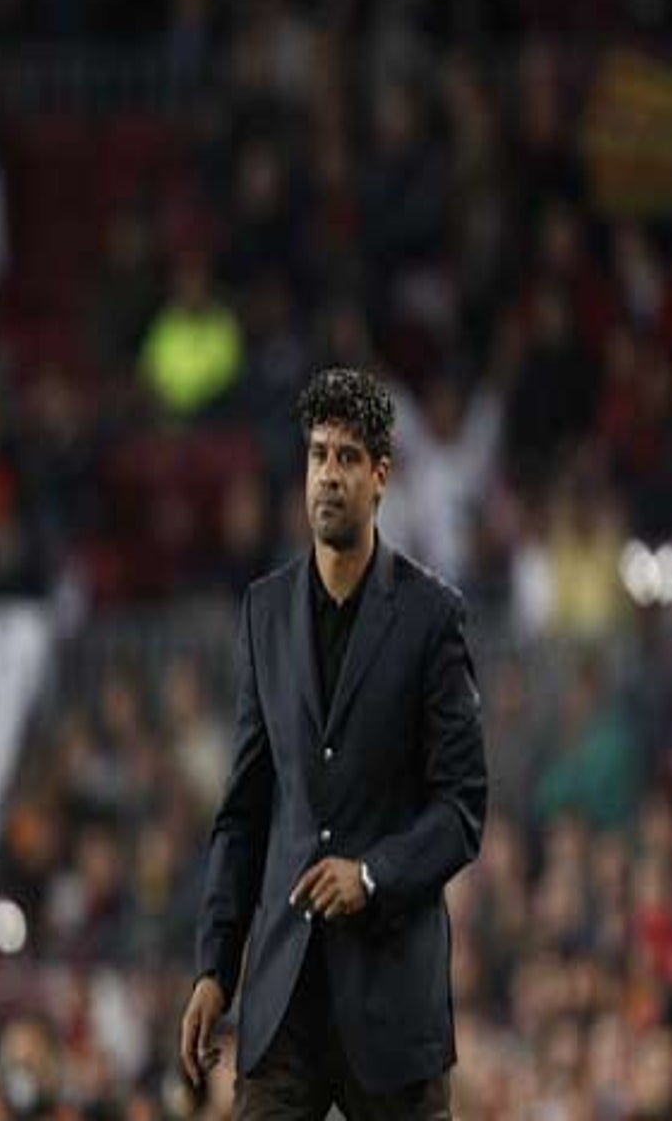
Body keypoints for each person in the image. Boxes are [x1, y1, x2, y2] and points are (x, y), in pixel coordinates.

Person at [180, 367, 487, 1118]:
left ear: (382, 477)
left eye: (348, 458)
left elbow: (462, 808)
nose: (329, 475)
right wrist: (215, 965)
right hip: (283, 998)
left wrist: (373, 876)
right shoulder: (264, 614)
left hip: (392, 1003)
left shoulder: (431, 619)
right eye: (318, 455)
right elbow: (244, 812)